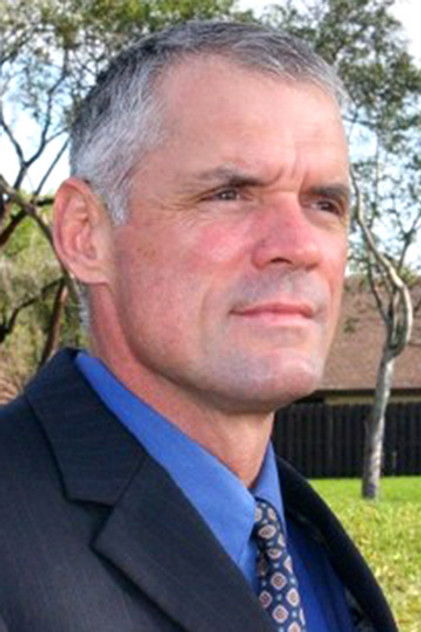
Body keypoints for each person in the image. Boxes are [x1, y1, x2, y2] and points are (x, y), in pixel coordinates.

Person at [0, 20, 397, 632]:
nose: (299, 246)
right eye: (229, 194)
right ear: (85, 234)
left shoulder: (307, 545)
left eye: (324, 204)